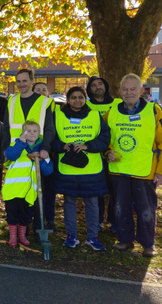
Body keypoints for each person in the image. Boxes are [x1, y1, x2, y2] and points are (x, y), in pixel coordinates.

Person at [105, 74, 162, 257]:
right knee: (120, 207)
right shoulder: (112, 111)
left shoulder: (153, 110)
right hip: (119, 170)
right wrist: (107, 152)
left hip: (145, 171)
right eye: (125, 89)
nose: (129, 92)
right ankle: (125, 240)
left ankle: (148, 243)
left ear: (142, 90)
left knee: (146, 209)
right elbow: (103, 137)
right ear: (119, 91)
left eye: (133, 89)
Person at [51, 86, 110, 250]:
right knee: (69, 202)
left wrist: (87, 146)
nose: (77, 100)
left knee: (92, 203)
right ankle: (72, 236)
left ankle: (92, 237)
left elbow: (105, 138)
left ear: (85, 99)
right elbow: (51, 139)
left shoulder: (95, 116)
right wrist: (62, 146)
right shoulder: (57, 116)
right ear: (68, 100)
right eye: (73, 97)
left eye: (80, 97)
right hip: (67, 168)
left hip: (91, 169)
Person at [3, 69, 55, 239]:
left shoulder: (45, 102)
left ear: (32, 81)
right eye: (18, 81)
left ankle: (38, 228)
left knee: (38, 192)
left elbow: (49, 128)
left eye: (25, 81)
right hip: (16, 155)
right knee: (17, 194)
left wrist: (45, 148)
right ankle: (15, 230)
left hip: (37, 153)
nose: (21, 84)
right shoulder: (11, 101)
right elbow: (6, 129)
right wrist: (4, 151)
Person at [3, 121, 53, 246]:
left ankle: (22, 235)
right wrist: (21, 143)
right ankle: (13, 236)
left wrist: (40, 160)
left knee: (25, 214)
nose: (32, 133)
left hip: (29, 191)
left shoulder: (43, 149)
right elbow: (11, 155)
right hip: (14, 189)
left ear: (39, 133)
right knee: (12, 213)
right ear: (23, 132)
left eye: (35, 131)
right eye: (28, 131)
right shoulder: (16, 145)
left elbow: (48, 171)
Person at [86, 76, 122, 233]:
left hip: (116, 155)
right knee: (98, 191)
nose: (97, 87)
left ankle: (114, 221)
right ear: (89, 89)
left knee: (116, 191)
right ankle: (98, 221)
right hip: (94, 156)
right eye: (93, 85)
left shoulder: (118, 104)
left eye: (100, 84)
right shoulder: (85, 105)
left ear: (106, 86)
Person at [30, 81, 58, 234]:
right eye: (38, 90)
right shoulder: (31, 110)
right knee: (34, 189)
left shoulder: (54, 108)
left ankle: (50, 218)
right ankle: (35, 220)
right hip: (32, 154)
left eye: (44, 90)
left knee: (49, 189)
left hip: (49, 154)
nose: (41, 92)